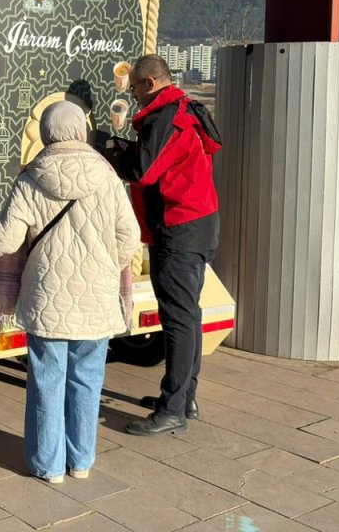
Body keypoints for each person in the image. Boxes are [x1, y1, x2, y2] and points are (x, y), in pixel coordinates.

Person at [0, 100, 141, 482]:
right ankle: (81, 461)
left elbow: (8, 237)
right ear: (81, 130)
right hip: (97, 298)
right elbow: (129, 237)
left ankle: (48, 465)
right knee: (87, 380)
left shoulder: (31, 178)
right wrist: (101, 262)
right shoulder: (108, 177)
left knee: (47, 382)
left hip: (46, 297)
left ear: (46, 132)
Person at [114, 54, 222, 436]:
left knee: (177, 318)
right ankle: (184, 397)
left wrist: (110, 150)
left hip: (179, 228)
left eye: (137, 90)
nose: (135, 100)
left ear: (148, 83)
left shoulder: (164, 116)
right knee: (188, 314)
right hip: (200, 221)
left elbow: (143, 170)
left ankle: (173, 407)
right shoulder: (185, 107)